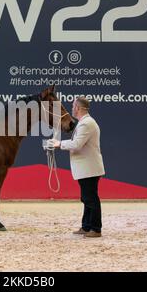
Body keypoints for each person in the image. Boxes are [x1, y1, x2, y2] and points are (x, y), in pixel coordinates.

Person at [51, 97, 105, 238]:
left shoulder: (86, 124)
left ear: (79, 108)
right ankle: (86, 227)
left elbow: (77, 144)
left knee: (90, 198)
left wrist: (59, 144)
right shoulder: (85, 123)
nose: (72, 108)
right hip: (87, 168)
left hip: (89, 168)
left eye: (73, 106)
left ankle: (95, 228)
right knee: (87, 198)